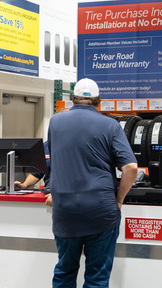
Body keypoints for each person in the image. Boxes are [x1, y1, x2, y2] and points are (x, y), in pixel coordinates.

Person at [46, 78, 138, 288]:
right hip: (101, 210)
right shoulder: (110, 125)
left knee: (64, 271)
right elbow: (131, 168)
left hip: (65, 210)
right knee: (97, 276)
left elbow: (55, 160)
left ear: (72, 99)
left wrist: (52, 191)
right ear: (99, 101)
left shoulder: (55, 122)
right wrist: (119, 200)